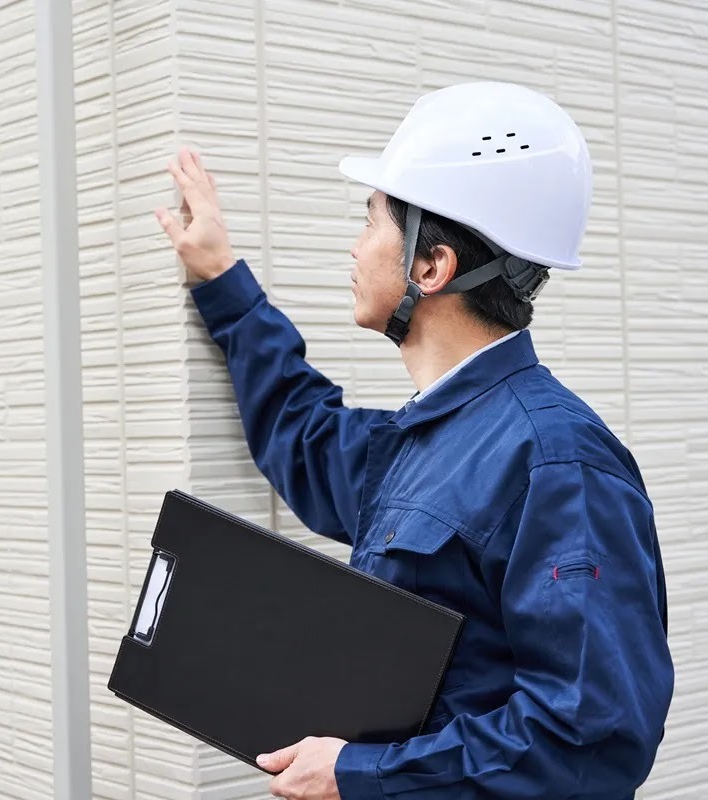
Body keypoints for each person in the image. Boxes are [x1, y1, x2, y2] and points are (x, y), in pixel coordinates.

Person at [153, 82, 673, 800]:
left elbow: (590, 737)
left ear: (431, 267)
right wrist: (222, 281)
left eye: (372, 223)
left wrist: (358, 774)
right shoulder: (418, 444)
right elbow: (303, 435)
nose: (356, 247)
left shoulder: (557, 460)